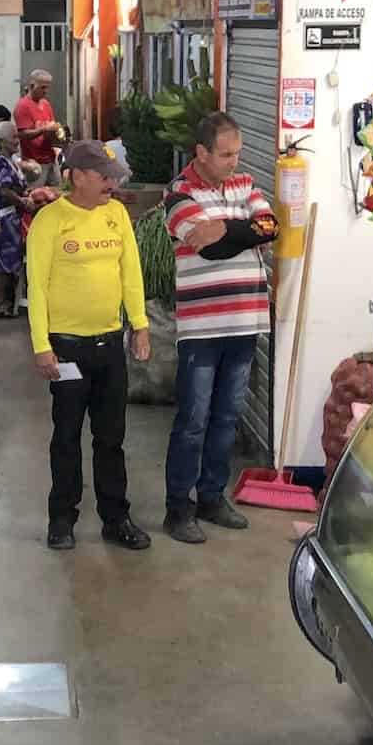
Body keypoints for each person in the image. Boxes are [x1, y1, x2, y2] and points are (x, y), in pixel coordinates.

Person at [27, 142, 153, 552]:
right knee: (66, 436)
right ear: (77, 176)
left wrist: (140, 325)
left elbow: (130, 273)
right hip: (66, 349)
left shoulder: (116, 215)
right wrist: (41, 346)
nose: (111, 184)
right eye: (103, 177)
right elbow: (37, 288)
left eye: (112, 176)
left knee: (111, 437)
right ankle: (62, 518)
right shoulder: (50, 221)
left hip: (109, 343)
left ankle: (115, 518)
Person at [160, 111, 278, 544]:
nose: (234, 162)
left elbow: (269, 227)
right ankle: (179, 507)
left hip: (246, 319)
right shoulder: (178, 192)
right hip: (201, 327)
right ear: (202, 153)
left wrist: (226, 230)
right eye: (226, 154)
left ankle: (212, 497)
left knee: (227, 418)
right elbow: (203, 245)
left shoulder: (245, 183)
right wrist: (242, 231)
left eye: (238, 153)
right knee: (193, 419)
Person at [0, 121, 27, 319]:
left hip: (13, 217)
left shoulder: (12, 161)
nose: (17, 141)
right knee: (1, 261)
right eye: (14, 138)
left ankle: (7, 303)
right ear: (1, 142)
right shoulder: (0, 161)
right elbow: (4, 190)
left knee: (11, 259)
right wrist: (23, 202)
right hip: (4, 218)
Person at [14, 69, 61, 184]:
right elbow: (22, 134)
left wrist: (58, 134)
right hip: (34, 163)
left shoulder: (46, 104)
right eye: (42, 87)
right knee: (37, 197)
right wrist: (43, 129)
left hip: (50, 158)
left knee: (57, 194)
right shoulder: (23, 106)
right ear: (32, 86)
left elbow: (51, 127)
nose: (46, 91)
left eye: (47, 87)